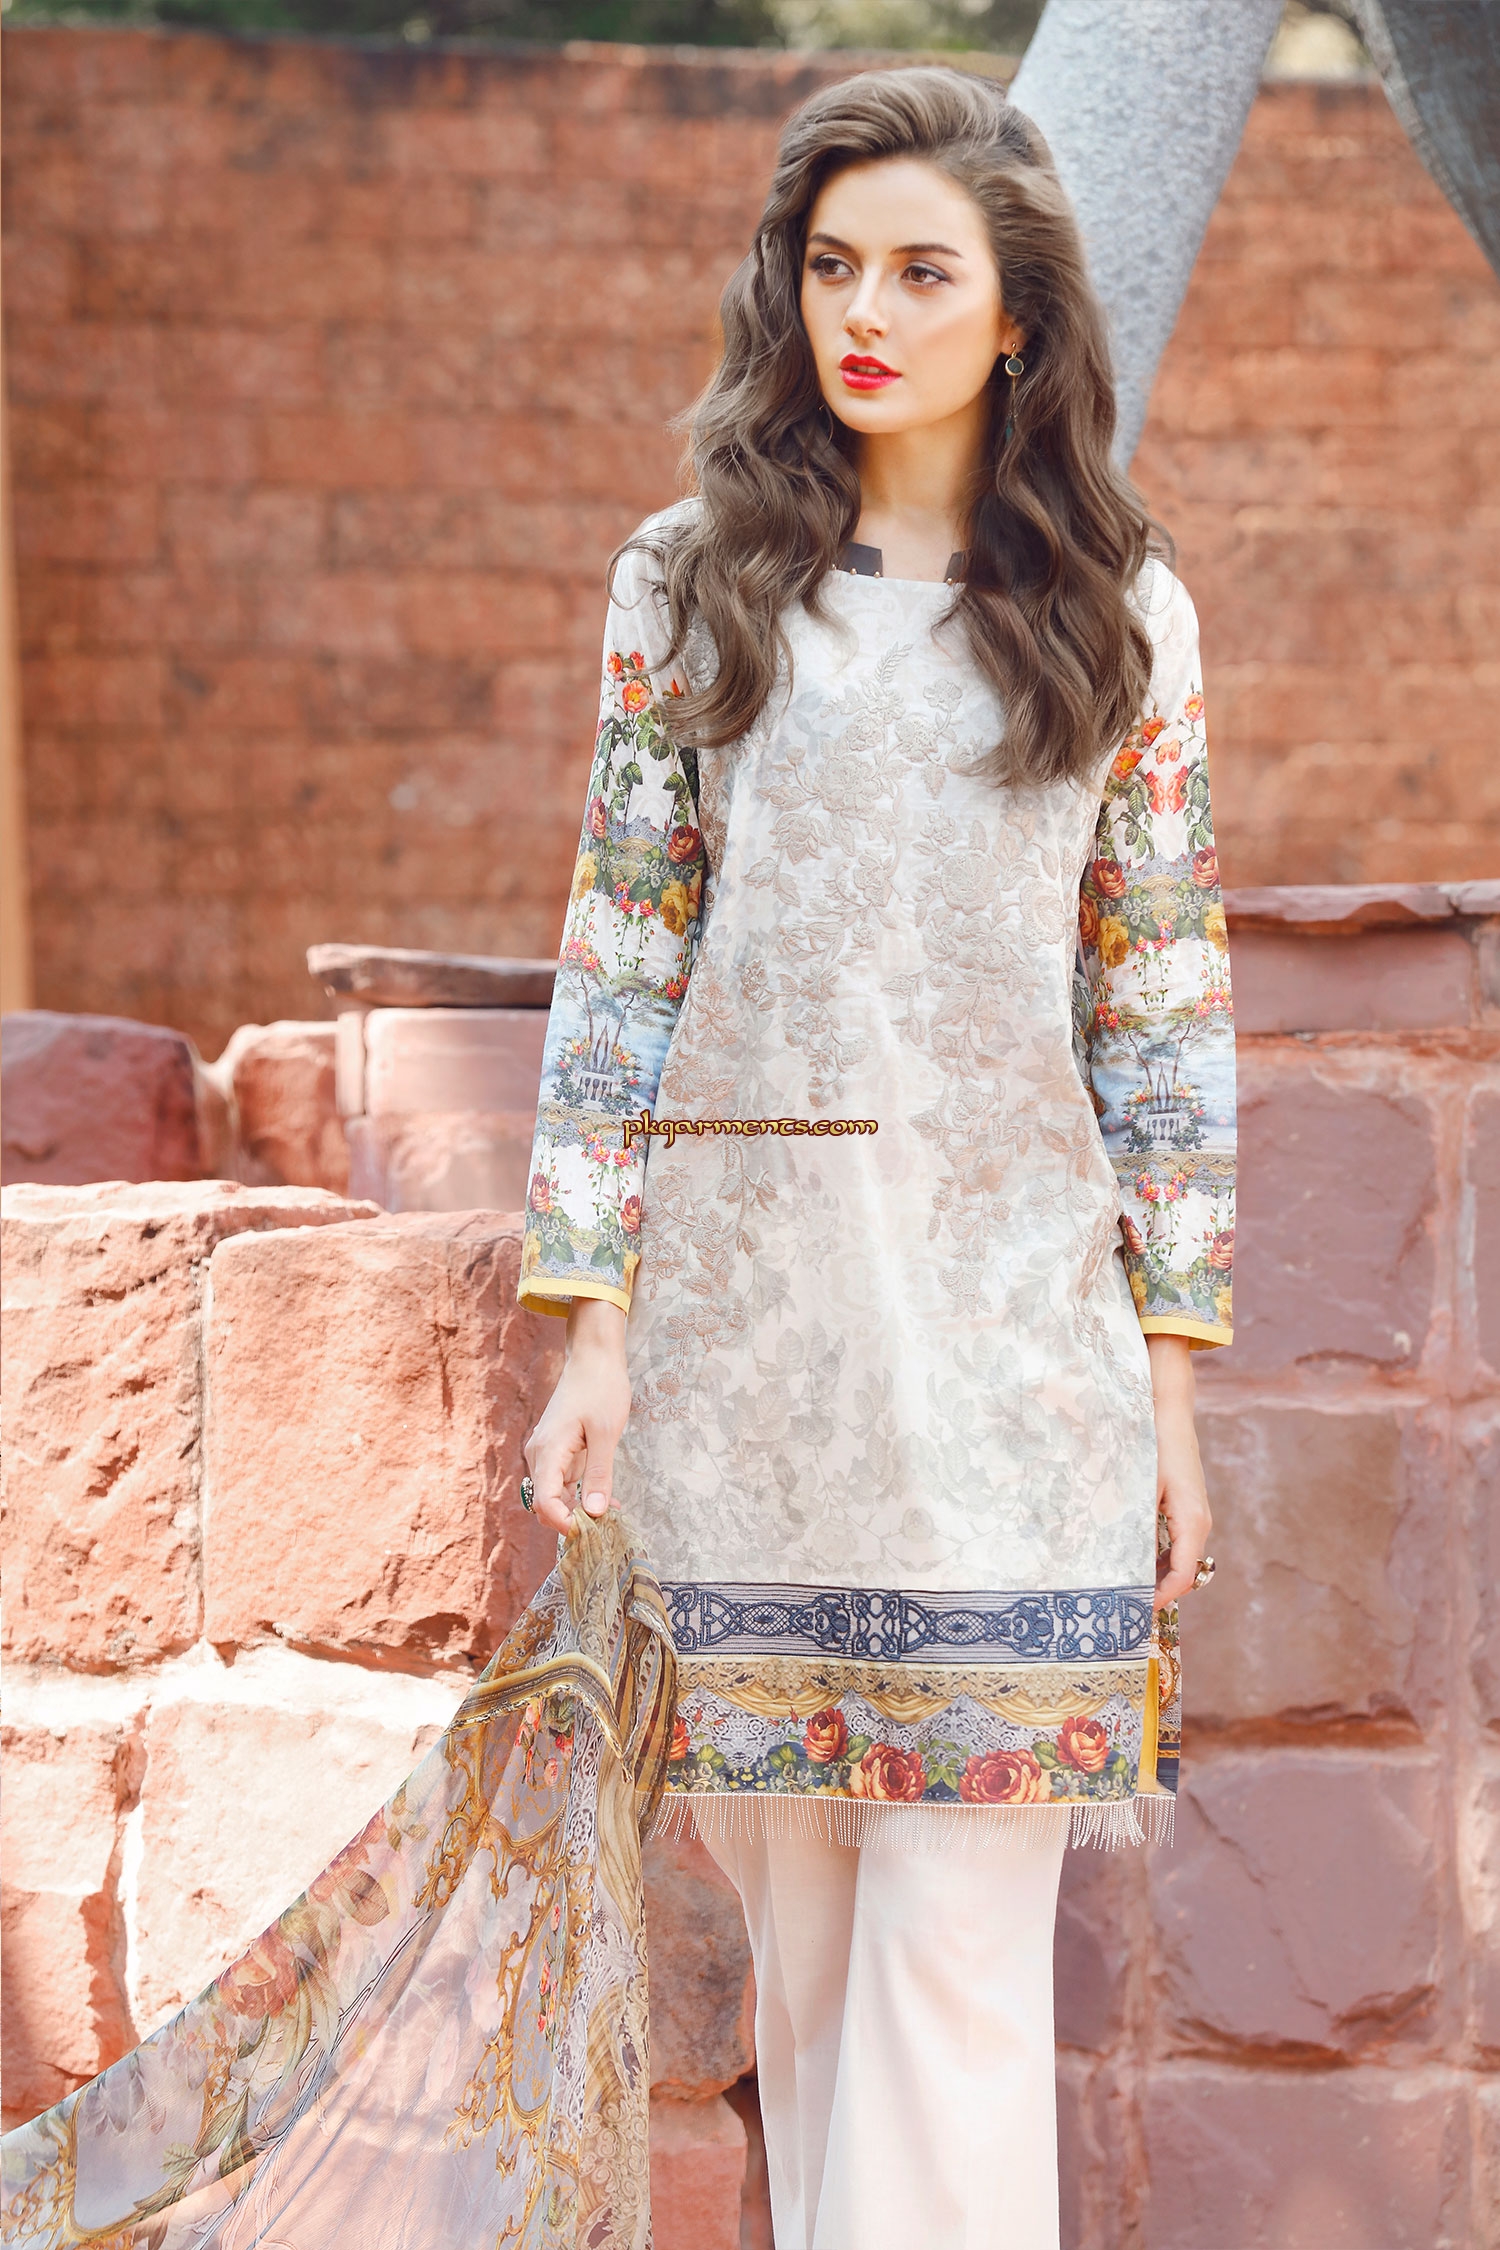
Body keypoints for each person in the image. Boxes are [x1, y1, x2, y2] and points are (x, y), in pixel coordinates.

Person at [517, 62, 1235, 2250]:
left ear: (1018, 315)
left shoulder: (1119, 611)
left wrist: (1172, 1396)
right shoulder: (693, 586)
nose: (867, 312)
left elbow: (1161, 1017)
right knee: (815, 1975)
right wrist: (594, 1327)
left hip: (1023, 1366)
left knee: (951, 1970)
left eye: (925, 272)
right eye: (834, 266)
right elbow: (621, 959)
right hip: (754, 1359)